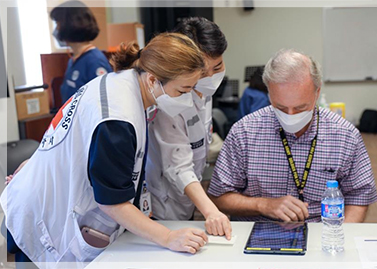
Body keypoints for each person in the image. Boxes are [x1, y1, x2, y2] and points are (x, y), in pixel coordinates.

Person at [1, 33, 210, 268]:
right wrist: (168, 237)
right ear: (152, 80)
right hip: (46, 215)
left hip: (49, 194)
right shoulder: (117, 118)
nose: (187, 99)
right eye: (182, 91)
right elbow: (112, 202)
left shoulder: (125, 83)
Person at [208, 49, 377, 223]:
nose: (290, 115)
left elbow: (359, 196)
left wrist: (338, 238)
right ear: (269, 94)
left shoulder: (345, 135)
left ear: (317, 93)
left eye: (300, 108)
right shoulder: (244, 132)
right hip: (257, 232)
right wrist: (263, 205)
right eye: (281, 108)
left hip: (320, 233)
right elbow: (219, 197)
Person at [145, 17, 232, 238]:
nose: (211, 77)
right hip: (163, 204)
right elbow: (178, 166)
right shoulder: (171, 99)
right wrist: (211, 210)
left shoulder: (206, 92)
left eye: (218, 67)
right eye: (203, 72)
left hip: (188, 199)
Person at [51, 0, 113, 103]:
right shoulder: (73, 60)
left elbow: (105, 102)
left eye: (58, 23)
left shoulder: (94, 61)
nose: (56, 29)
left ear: (70, 25)